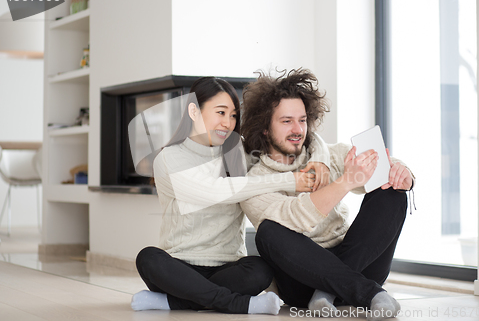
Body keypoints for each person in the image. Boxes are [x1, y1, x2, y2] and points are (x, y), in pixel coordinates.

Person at [131, 76, 331, 315]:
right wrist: (290, 180)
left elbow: (299, 137)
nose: (227, 123)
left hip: (229, 266)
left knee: (260, 269)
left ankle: (173, 302)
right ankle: (241, 304)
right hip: (179, 266)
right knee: (149, 259)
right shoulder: (169, 158)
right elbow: (214, 191)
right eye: (220, 112)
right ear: (193, 111)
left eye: (233, 115)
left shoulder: (238, 150)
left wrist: (320, 161)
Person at [240, 69, 415, 321]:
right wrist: (346, 182)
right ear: (265, 128)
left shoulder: (328, 155)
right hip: (302, 280)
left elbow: (385, 165)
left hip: (359, 264)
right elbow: (297, 217)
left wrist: (403, 173)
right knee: (268, 232)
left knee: (392, 193)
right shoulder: (255, 181)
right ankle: (365, 293)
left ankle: (328, 292)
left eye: (302, 120)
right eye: (286, 121)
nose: (298, 129)